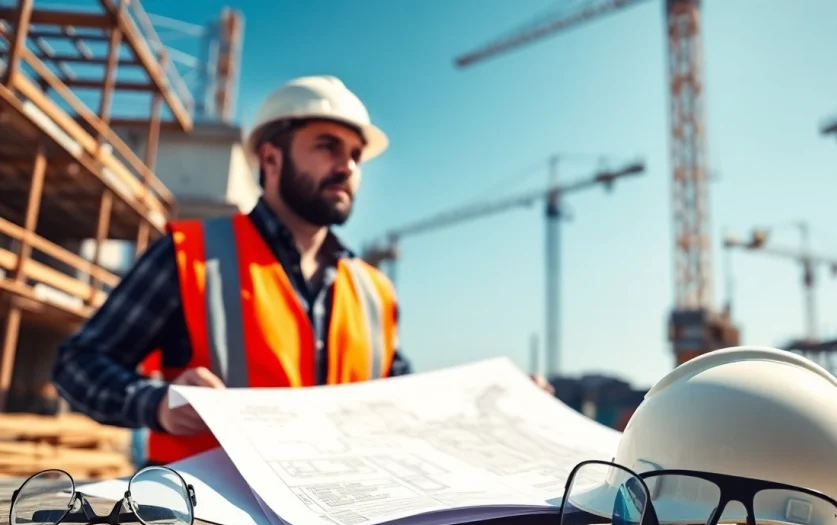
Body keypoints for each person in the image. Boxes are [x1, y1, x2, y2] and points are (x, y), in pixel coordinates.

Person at [52, 75, 552, 466]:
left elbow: (406, 402)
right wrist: (158, 404)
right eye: (327, 146)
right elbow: (78, 363)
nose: (347, 166)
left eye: (355, 155)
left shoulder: (374, 291)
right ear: (270, 158)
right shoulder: (191, 256)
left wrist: (496, 401)